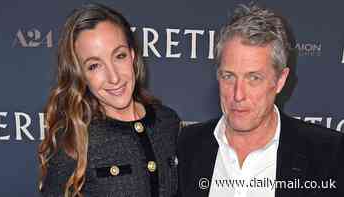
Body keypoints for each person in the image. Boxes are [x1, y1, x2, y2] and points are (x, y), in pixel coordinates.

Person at [178, 3, 344, 197]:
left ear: (280, 80)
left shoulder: (330, 156)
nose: (238, 95)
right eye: (228, 76)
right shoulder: (186, 146)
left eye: (254, 78)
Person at [38, 3, 180, 197]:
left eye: (119, 56)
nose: (114, 77)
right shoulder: (75, 141)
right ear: (80, 74)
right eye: (94, 65)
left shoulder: (167, 121)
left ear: (132, 56)